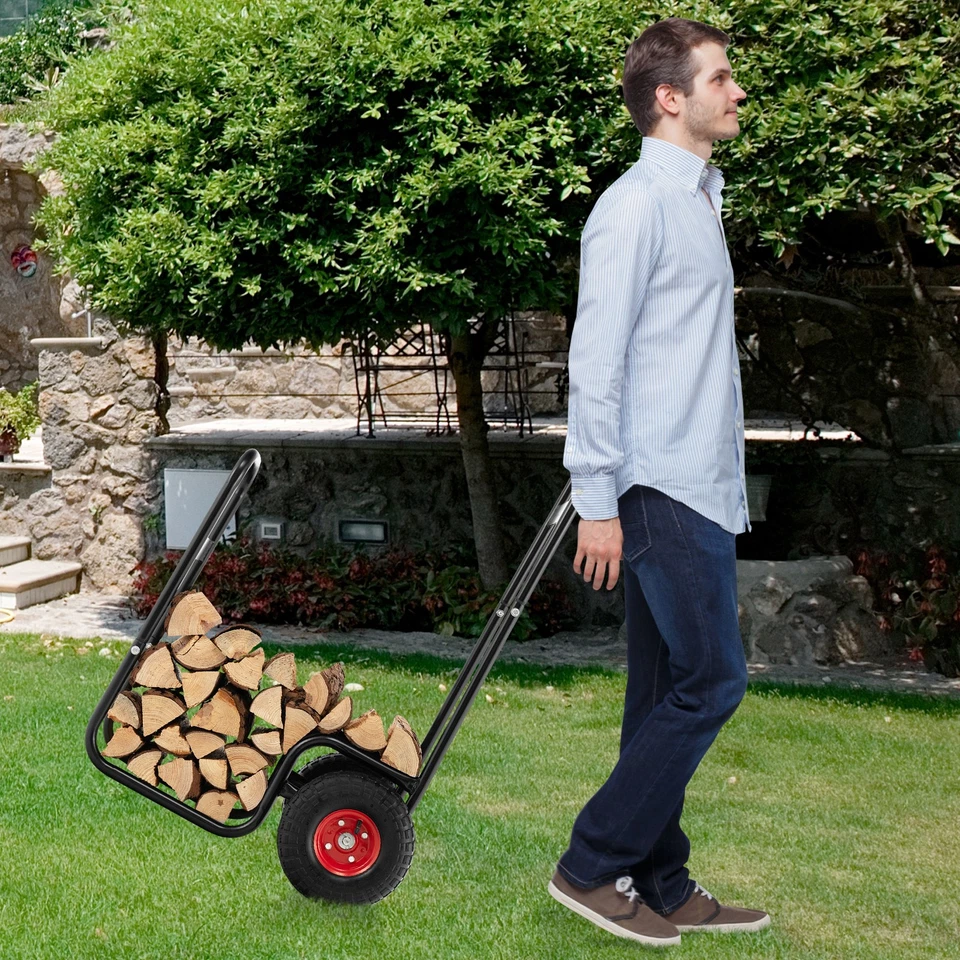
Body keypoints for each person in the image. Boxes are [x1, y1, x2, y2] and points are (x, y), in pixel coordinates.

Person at [547, 17, 772, 947]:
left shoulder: (696, 200)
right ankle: (590, 863)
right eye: (722, 78)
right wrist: (596, 501)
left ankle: (662, 881)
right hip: (659, 487)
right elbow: (595, 363)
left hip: (696, 484)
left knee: (660, 694)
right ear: (671, 98)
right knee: (713, 680)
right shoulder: (636, 205)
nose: (738, 91)